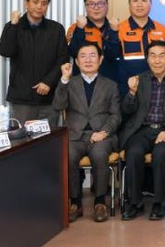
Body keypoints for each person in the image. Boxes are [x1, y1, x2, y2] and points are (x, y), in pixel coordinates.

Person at [120, 41, 165, 221]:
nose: (157, 61)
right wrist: (131, 92)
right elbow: (127, 110)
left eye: (161, 56)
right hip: (142, 130)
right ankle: (135, 203)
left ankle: (158, 203)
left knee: (160, 153)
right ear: (147, 59)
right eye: (153, 56)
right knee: (133, 152)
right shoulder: (139, 79)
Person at [52, 42, 121, 223]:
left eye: (92, 55)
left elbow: (116, 115)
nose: (88, 60)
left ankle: (100, 202)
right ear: (76, 61)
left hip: (101, 135)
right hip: (75, 135)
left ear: (100, 59)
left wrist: (104, 132)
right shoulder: (69, 83)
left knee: (99, 155)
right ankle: (75, 203)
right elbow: (58, 106)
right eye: (83, 56)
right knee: (67, 155)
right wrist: (64, 79)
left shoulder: (111, 85)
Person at [0, 0, 68, 124]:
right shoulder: (13, 26)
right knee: (21, 137)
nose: (39, 6)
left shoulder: (56, 29)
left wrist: (48, 82)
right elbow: (5, 51)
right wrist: (13, 25)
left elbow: (63, 59)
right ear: (26, 3)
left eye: (44, 3)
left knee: (50, 137)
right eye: (35, 1)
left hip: (49, 98)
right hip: (22, 99)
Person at [117, 0, 165, 96]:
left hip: (157, 88)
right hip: (128, 88)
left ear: (151, 4)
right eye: (135, 0)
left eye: (144, 0)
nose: (139, 4)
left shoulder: (162, 29)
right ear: (129, 4)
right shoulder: (120, 29)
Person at [66, 0, 121, 80]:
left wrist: (113, 32)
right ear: (85, 6)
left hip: (110, 82)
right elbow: (73, 52)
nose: (96, 8)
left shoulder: (116, 27)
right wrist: (79, 29)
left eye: (100, 3)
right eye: (91, 4)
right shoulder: (75, 27)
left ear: (107, 5)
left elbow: (114, 55)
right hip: (81, 83)